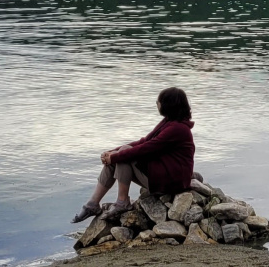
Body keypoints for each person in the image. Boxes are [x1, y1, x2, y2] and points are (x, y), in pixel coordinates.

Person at [73, 87, 196, 222]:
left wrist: (115, 156)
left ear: (169, 105)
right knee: (122, 153)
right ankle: (93, 204)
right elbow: (144, 141)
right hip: (164, 173)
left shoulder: (177, 129)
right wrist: (112, 152)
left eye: (159, 101)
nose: (157, 103)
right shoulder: (169, 122)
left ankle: (122, 202)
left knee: (124, 155)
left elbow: (146, 148)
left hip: (172, 182)